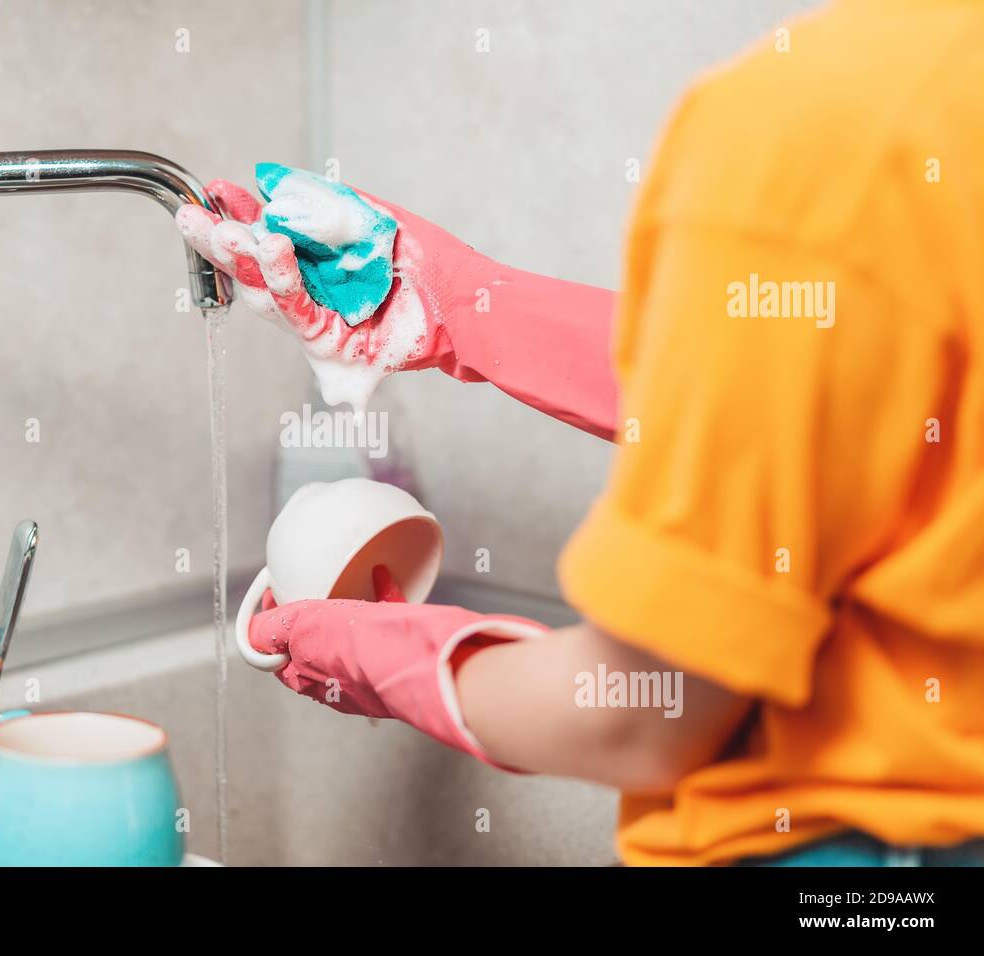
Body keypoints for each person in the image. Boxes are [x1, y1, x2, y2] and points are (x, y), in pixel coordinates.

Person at [175, 0, 984, 867]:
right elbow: (841, 406)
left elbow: (643, 719)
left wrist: (393, 657)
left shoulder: (822, 117)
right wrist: (467, 309)